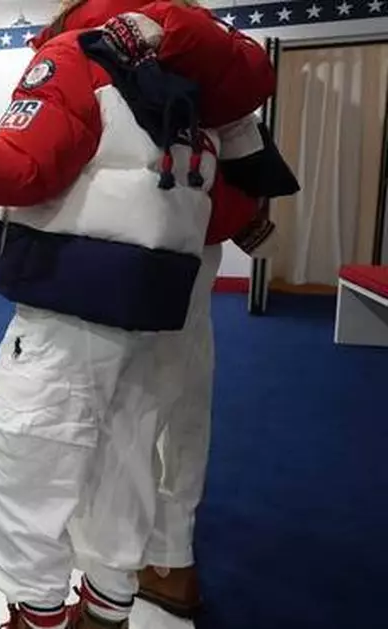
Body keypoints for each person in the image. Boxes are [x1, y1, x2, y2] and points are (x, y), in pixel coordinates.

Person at [0, 0, 275, 626]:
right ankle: (108, 606)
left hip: (67, 308)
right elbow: (226, 214)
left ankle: (37, 612)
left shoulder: (76, 56)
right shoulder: (198, 88)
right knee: (128, 460)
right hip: (157, 309)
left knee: (27, 459)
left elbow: (21, 167)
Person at [139, 114, 298, 618]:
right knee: (183, 404)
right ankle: (170, 556)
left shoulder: (110, 68)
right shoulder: (206, 78)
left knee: (134, 415)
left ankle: (148, 553)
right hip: (188, 271)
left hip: (127, 274)